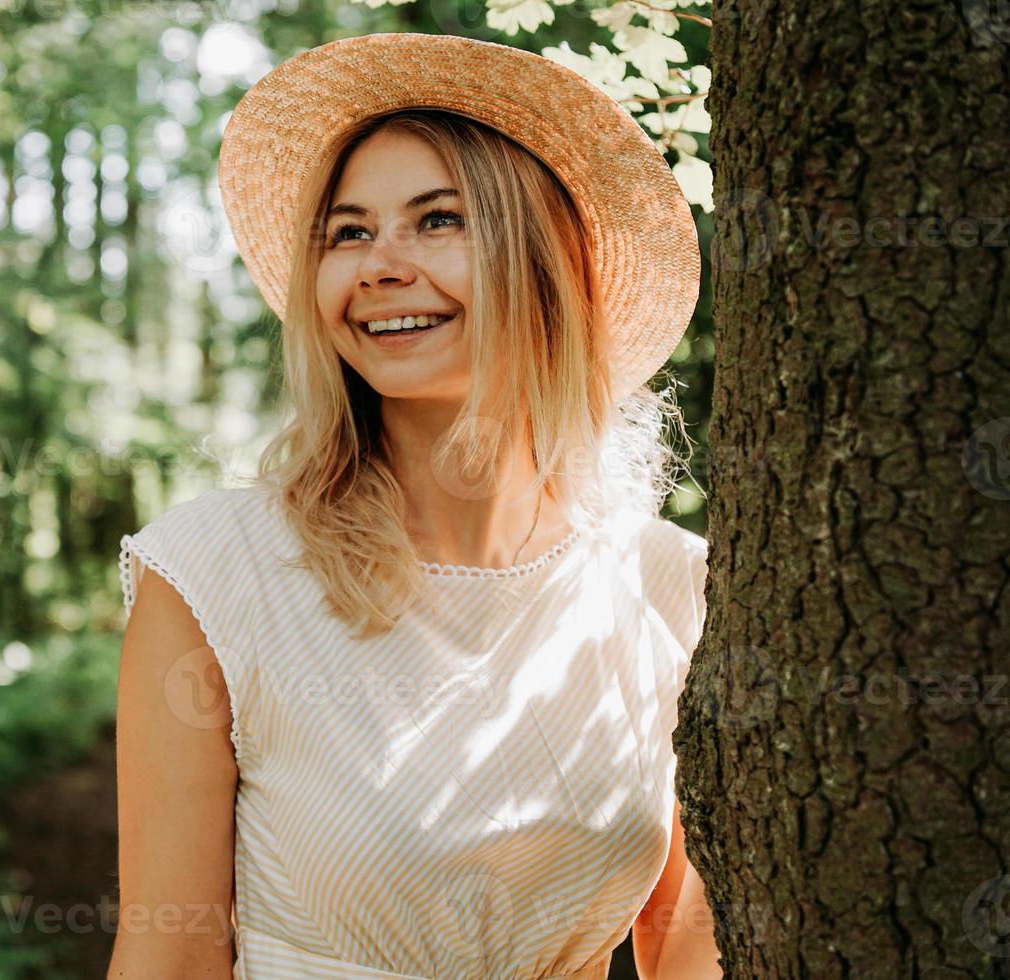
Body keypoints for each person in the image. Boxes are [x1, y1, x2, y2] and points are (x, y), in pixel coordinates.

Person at [108, 32, 724, 980]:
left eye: (437, 221)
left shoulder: (670, 586)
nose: (380, 264)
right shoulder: (216, 572)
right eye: (348, 232)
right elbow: (173, 951)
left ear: (546, 261)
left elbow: (685, 944)